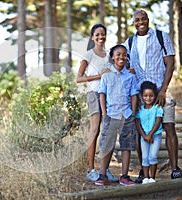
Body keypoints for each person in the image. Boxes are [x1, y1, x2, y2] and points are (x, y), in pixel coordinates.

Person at [123, 9, 182, 183]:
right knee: (139, 131)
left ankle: (175, 169)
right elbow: (125, 65)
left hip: (161, 91)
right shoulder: (129, 42)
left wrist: (163, 90)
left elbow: (170, 64)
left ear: (148, 19)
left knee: (169, 127)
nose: (140, 22)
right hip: (139, 94)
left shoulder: (161, 37)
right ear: (134, 22)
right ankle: (143, 171)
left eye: (143, 19)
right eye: (137, 20)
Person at [76, 24, 118, 182]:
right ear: (92, 37)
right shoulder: (88, 55)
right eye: (97, 35)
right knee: (95, 130)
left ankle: (105, 170)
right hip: (94, 94)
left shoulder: (109, 55)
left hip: (109, 96)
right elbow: (78, 78)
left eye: (103, 34)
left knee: (110, 132)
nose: (101, 37)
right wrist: (98, 76)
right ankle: (90, 170)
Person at [95, 44, 139, 186]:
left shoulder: (130, 76)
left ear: (127, 58)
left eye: (124, 54)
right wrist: (104, 113)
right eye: (118, 54)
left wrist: (132, 112)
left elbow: (133, 95)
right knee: (107, 145)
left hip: (126, 114)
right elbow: (102, 94)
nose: (121, 57)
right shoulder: (106, 75)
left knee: (126, 146)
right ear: (113, 57)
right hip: (111, 115)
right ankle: (103, 174)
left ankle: (124, 176)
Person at [136, 81, 163, 184]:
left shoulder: (158, 108)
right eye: (145, 96)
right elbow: (138, 124)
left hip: (155, 136)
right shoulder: (140, 110)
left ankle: (152, 177)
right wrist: (145, 136)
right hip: (144, 137)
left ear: (155, 96)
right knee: (144, 157)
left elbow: (157, 122)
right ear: (142, 96)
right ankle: (145, 178)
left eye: (151, 96)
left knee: (152, 156)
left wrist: (150, 135)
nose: (148, 98)